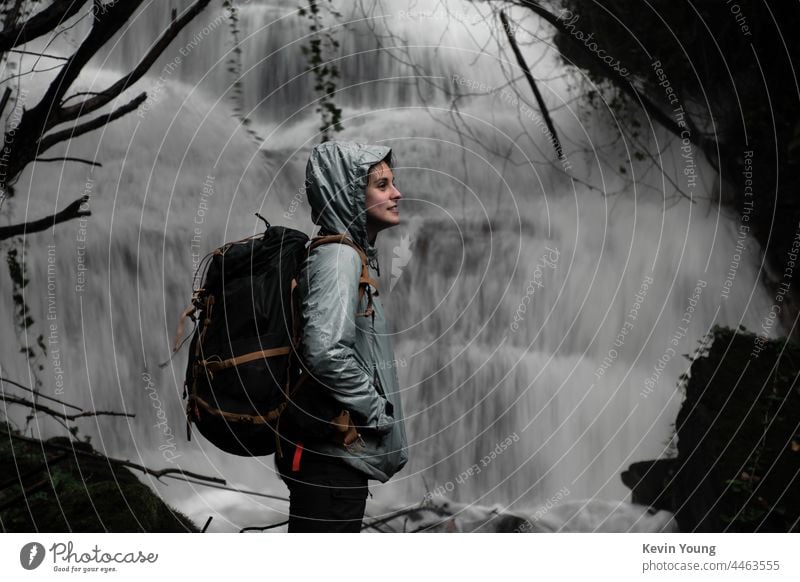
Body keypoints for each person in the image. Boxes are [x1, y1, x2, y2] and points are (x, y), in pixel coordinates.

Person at [274, 140, 408, 532]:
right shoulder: (338, 258)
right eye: (382, 185)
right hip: (331, 459)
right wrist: (375, 412)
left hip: (332, 456)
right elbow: (325, 352)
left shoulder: (347, 253)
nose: (397, 194)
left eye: (393, 183)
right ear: (351, 194)